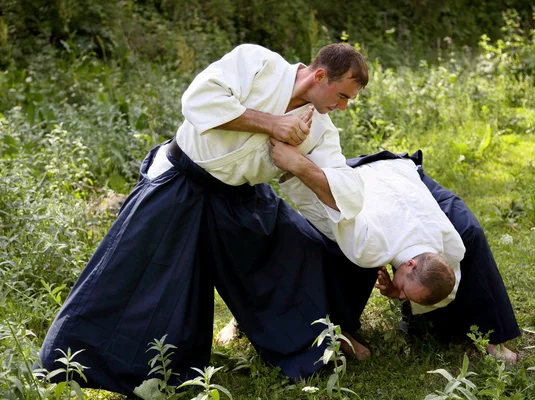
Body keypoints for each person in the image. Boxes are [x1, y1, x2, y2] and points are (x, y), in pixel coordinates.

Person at [39, 43, 369, 395]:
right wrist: (274, 124)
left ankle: (321, 338)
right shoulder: (258, 63)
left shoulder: (321, 128)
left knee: (302, 250)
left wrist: (299, 164)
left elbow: (347, 192)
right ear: (320, 75)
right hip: (183, 183)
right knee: (137, 281)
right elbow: (198, 99)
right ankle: (71, 361)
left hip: (242, 199)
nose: (344, 107)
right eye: (343, 95)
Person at [218, 150, 520, 363]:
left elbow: (442, 282)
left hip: (406, 185)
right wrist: (299, 168)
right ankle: (338, 330)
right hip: (361, 180)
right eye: (404, 290)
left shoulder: (451, 245)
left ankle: (489, 337)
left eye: (403, 295)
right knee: (340, 254)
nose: (399, 294)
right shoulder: (369, 243)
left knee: (471, 232)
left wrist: (398, 289)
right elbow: (332, 209)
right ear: (411, 263)